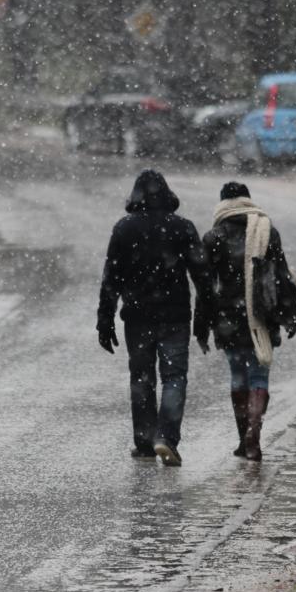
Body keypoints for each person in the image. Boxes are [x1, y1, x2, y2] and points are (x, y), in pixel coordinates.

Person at [97, 170, 209, 467]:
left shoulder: (124, 229)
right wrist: (204, 320)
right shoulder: (182, 228)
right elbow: (203, 278)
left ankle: (145, 441)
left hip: (138, 317)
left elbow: (111, 279)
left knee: (141, 378)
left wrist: (105, 320)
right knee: (174, 377)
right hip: (175, 316)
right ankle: (167, 438)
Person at [197, 182, 296, 462]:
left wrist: (201, 327)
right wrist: (292, 314)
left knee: (237, 375)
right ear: (248, 200)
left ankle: (243, 436)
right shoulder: (266, 230)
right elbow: (280, 275)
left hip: (227, 319)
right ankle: (253, 436)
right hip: (261, 315)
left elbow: (205, 289)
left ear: (222, 203)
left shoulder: (214, 236)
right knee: (259, 375)